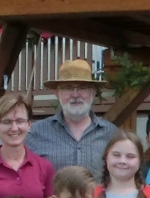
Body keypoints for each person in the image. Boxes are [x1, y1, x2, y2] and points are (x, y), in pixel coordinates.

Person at [26, 57, 125, 187]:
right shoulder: (36, 133)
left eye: (82, 88)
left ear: (93, 93)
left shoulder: (112, 134)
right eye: (68, 88)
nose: (75, 94)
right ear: (57, 93)